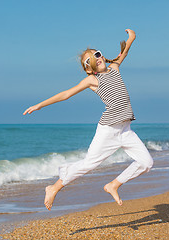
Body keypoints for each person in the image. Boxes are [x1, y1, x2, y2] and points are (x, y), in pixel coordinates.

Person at [23, 29, 153, 211]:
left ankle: (114, 184)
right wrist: (40, 105)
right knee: (90, 163)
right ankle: (54, 187)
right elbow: (66, 94)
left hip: (125, 130)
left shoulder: (114, 68)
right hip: (108, 130)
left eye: (97, 54)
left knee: (146, 162)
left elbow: (123, 53)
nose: (96, 58)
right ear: (88, 68)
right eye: (90, 59)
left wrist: (131, 38)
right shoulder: (92, 80)